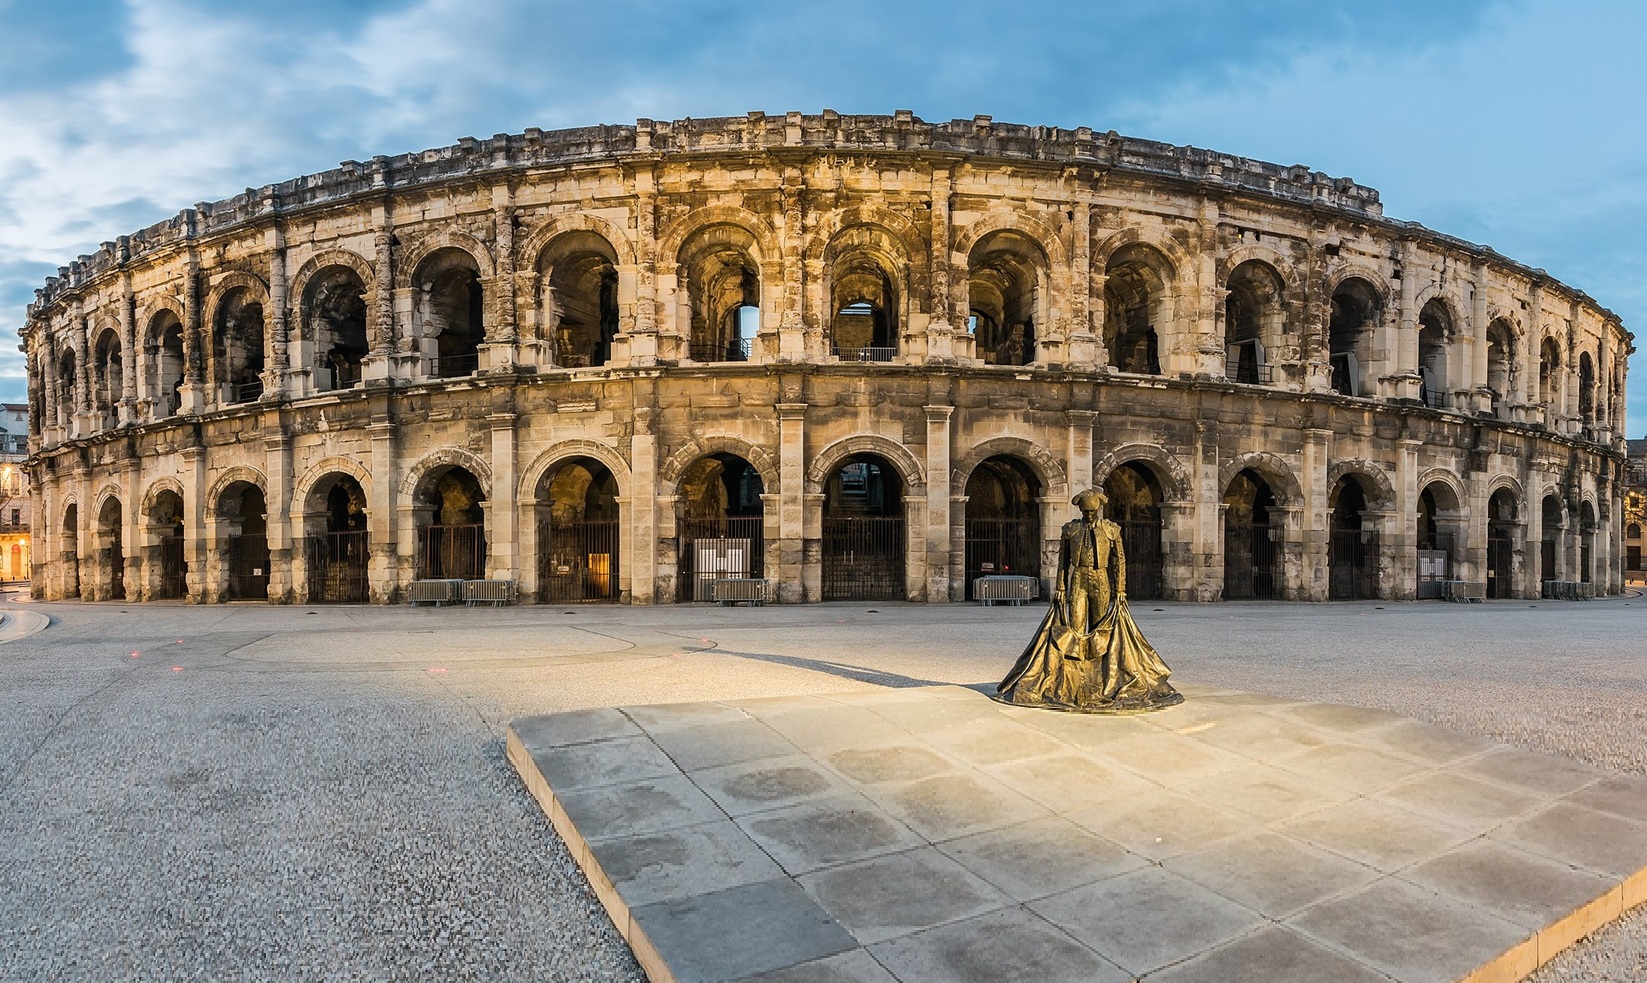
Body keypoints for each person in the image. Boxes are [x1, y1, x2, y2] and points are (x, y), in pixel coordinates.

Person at [995, 488, 1184, 713]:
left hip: (1100, 578)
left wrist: (1120, 589)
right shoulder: (1072, 529)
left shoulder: (1110, 529)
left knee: (1100, 628)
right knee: (1074, 628)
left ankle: (1099, 680)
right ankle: (1073, 681)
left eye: (1092, 511)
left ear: (1098, 510)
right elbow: (1063, 560)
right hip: (1078, 578)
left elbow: (1119, 561)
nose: (1089, 515)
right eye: (1086, 511)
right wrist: (1061, 587)